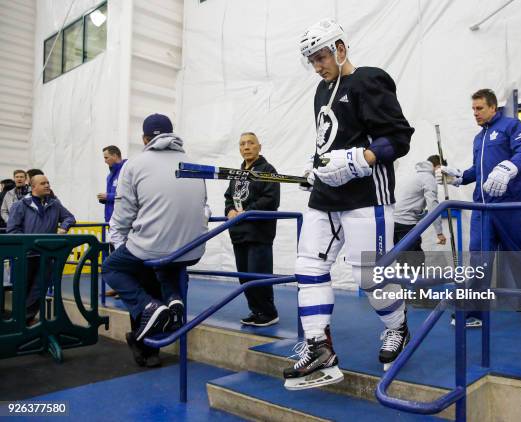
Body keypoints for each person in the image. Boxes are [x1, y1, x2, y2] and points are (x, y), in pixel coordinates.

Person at [283, 18, 414, 390]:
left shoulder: (369, 80)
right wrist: (317, 166)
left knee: (369, 277)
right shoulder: (321, 92)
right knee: (308, 266)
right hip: (326, 196)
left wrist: (362, 159)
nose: (318, 65)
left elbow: (398, 138)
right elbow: (329, 140)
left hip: (366, 195)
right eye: (311, 60)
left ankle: (397, 327)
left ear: (340, 48)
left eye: (321, 56)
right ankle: (319, 348)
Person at [102, 113, 211, 367]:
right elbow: (203, 205)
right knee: (164, 267)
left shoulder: (135, 164)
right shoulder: (193, 163)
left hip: (152, 245)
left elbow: (124, 215)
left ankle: (147, 328)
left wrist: (119, 242)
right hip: (192, 248)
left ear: (144, 138)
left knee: (114, 267)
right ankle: (174, 299)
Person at [442, 89, 521, 326]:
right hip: (483, 207)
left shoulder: (511, 126)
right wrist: (459, 177)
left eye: (480, 108)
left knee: (518, 255)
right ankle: (475, 313)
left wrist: (508, 168)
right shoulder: (479, 138)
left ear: (493, 107)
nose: (475, 113)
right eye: (473, 109)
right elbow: (479, 169)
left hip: (510, 206)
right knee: (478, 260)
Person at [224, 132, 280, 327]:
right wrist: (230, 210)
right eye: (242, 144)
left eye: (250, 143)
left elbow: (271, 199)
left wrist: (246, 211)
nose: (246, 147)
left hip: (259, 234)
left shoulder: (268, 170)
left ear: (259, 147)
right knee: (244, 277)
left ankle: (268, 313)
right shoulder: (237, 173)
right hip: (238, 233)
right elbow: (228, 197)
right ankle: (256, 311)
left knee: (258, 274)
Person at [6, 174, 75, 325]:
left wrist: (63, 228)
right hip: (25, 256)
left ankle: (23, 322)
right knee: (22, 290)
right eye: (43, 183)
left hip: (46, 255)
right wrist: (30, 243)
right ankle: (22, 323)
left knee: (40, 289)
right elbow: (12, 230)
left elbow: (69, 218)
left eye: (48, 182)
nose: (47, 185)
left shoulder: (55, 204)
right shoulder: (20, 205)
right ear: (33, 187)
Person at [394, 155, 447, 265]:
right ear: (438, 167)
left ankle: (406, 281)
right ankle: (414, 281)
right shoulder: (429, 178)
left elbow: (408, 201)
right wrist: (439, 233)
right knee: (416, 260)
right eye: (443, 172)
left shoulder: (415, 175)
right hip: (406, 223)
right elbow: (433, 207)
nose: (443, 176)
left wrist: (420, 212)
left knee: (403, 260)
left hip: (393, 222)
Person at [98, 145, 127, 298]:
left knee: (123, 258)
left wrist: (108, 197)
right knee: (113, 258)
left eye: (106, 157)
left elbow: (126, 195)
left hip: (123, 224)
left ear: (116, 155)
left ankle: (126, 289)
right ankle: (118, 288)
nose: (105, 161)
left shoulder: (126, 170)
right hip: (111, 222)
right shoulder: (110, 175)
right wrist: (106, 200)